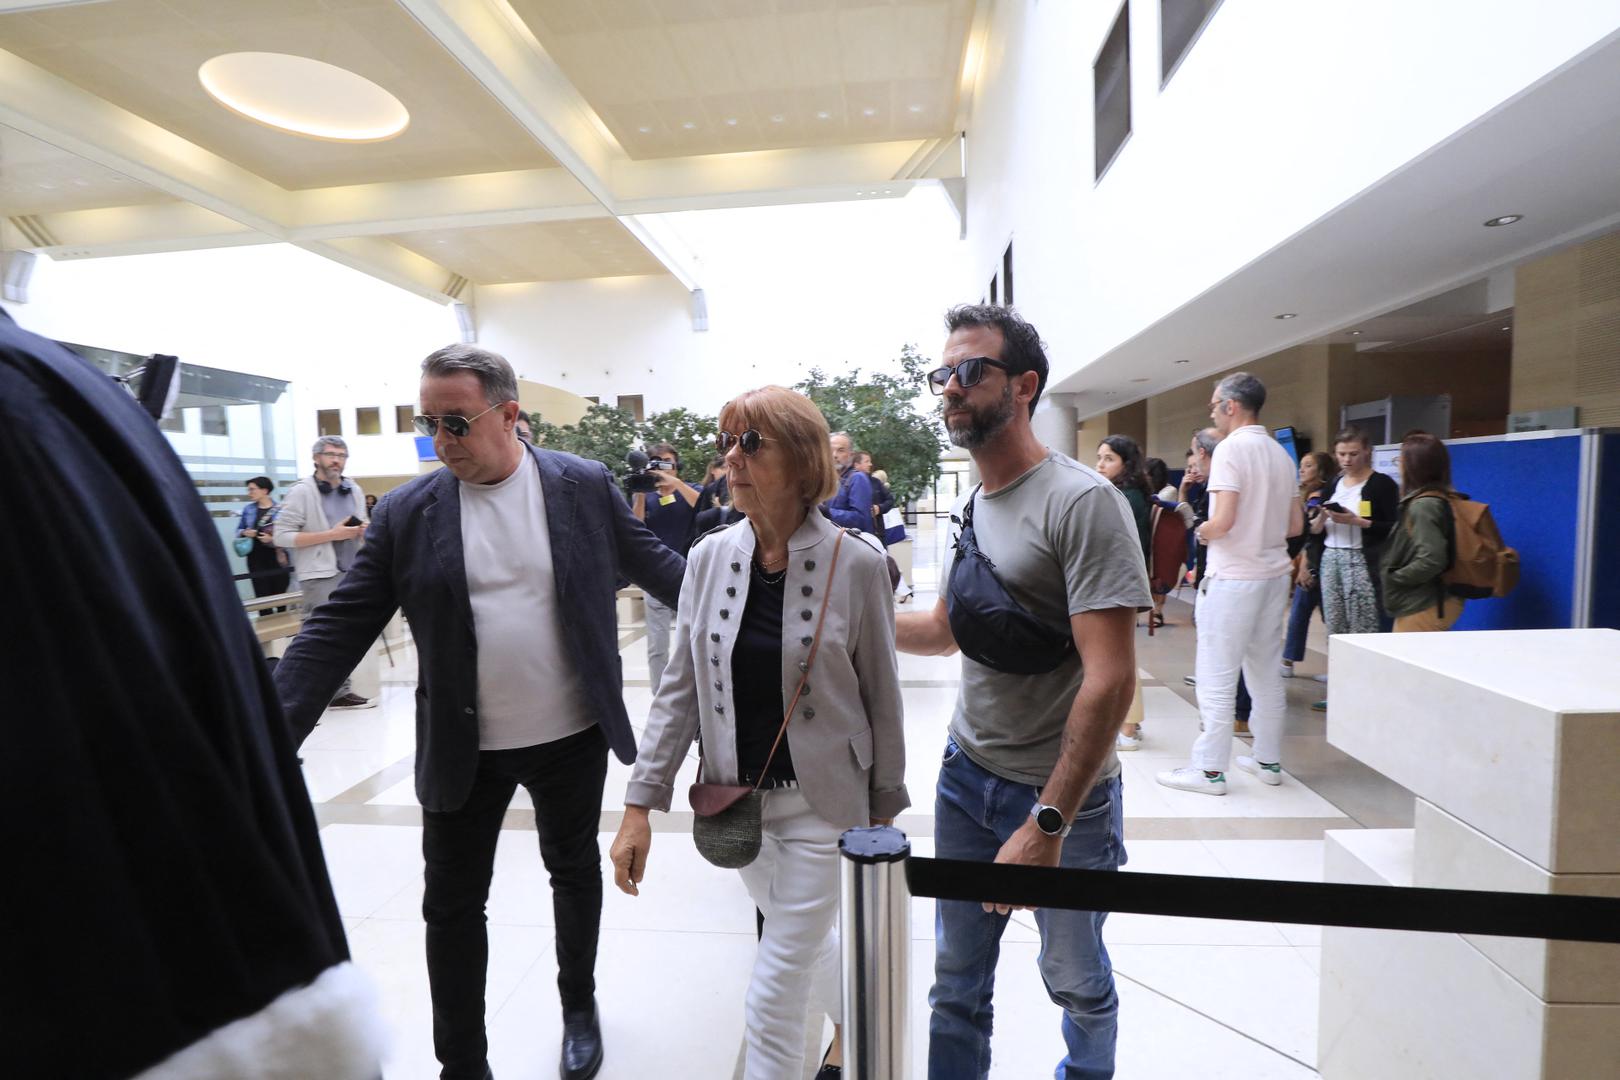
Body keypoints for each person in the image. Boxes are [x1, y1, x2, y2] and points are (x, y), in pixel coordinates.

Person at [274, 344, 685, 1080]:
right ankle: (462, 1061)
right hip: (464, 745)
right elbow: (339, 625)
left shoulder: (581, 485)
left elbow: (664, 570)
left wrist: (754, 619)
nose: (441, 441)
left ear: (510, 415)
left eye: (456, 421)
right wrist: (268, 739)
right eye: (428, 422)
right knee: (453, 906)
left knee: (572, 870)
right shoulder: (407, 511)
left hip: (572, 733)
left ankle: (578, 1006)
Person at [2, 308, 382, 1078]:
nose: (339, 459)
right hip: (314, 586)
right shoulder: (61, 399)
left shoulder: (27, 410)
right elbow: (279, 544)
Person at [611, 386, 907, 1080]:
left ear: (804, 462)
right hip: (736, 805)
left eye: (751, 442)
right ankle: (863, 1021)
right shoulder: (710, 557)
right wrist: (637, 806)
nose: (731, 458)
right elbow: (678, 689)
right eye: (726, 442)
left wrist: (884, 808)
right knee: (807, 948)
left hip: (823, 805)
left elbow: (882, 696)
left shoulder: (857, 562)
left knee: (774, 987)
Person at [897, 304, 1148, 1079]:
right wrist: (852, 616)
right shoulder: (969, 506)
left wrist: (1049, 820)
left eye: (971, 371)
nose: (951, 388)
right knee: (956, 984)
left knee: (1074, 981)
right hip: (966, 777)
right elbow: (944, 630)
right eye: (943, 375)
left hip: (1066, 800)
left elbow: (1111, 680)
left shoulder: (1082, 502)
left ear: (1025, 386)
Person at [1157, 373, 1303, 797]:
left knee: (1216, 676)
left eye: (1214, 403)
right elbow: (1295, 524)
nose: (1211, 410)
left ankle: (1209, 772)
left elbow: (1222, 523)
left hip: (1233, 580)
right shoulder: (1280, 453)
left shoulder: (1231, 451)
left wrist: (1200, 531)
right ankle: (1268, 760)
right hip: (1274, 576)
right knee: (1265, 674)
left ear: (1231, 406)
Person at [273, 435, 373, 711]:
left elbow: (363, 522)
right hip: (319, 574)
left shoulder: (353, 489)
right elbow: (282, 536)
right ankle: (294, 694)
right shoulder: (302, 492)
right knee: (316, 636)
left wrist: (363, 529)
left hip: (351, 571)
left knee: (343, 634)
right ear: (316, 458)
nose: (336, 461)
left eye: (341, 456)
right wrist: (332, 534)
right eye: (331, 454)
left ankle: (339, 691)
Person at [1311, 426, 1399, 710]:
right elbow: (1317, 528)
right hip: (1333, 557)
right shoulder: (1334, 483)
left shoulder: (1381, 484)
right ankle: (1340, 687)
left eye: (1353, 454)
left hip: (1363, 559)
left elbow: (1394, 527)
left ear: (1367, 452)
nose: (1347, 460)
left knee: (1363, 625)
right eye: (1341, 454)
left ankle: (1367, 689)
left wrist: (1358, 522)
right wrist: (1320, 519)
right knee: (1335, 625)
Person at [1095, 436, 1153, 753]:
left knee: (1120, 657)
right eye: (1100, 457)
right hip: (1123, 581)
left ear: (1125, 464)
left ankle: (1128, 729)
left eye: (1109, 459)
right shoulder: (1128, 493)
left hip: (1119, 583)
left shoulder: (1124, 496)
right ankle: (1130, 724)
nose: (1101, 464)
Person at [630, 441, 701, 693]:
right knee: (657, 646)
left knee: (694, 641)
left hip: (691, 576)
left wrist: (676, 484)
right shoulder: (646, 497)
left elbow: (703, 506)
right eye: (657, 462)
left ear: (676, 465)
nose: (663, 468)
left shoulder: (690, 490)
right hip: (657, 578)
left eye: (667, 462)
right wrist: (640, 491)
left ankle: (694, 694)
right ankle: (660, 695)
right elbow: (635, 527)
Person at [1382, 431, 1468, 632]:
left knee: (1402, 660)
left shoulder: (1423, 505)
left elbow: (1432, 558)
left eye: (1400, 460)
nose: (1399, 466)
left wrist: (1395, 576)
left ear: (1413, 467)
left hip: (1425, 603)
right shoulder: (1443, 497)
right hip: (1434, 600)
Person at [1281, 450, 1337, 679]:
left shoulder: (1319, 498)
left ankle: (1290, 662)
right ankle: (1287, 661)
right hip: (1316, 560)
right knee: (1301, 613)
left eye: (1308, 466)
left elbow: (1312, 535)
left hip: (1319, 562)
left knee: (1325, 616)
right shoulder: (1307, 497)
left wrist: (1304, 565)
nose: (1301, 470)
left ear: (1321, 471)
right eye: (1301, 465)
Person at [239, 476, 291, 599]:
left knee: (280, 595)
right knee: (261, 595)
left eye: (252, 489)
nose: (249, 493)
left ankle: (281, 618)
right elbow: (238, 530)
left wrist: (272, 539)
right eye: (248, 490)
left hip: (277, 556)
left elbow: (289, 534)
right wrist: (245, 532)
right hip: (255, 558)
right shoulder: (248, 509)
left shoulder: (281, 510)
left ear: (265, 490)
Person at [822, 431, 876, 531]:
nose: (834, 455)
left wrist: (826, 512)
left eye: (840, 450)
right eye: (830, 450)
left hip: (850, 544)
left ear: (851, 454)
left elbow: (861, 519)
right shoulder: (828, 480)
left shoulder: (858, 478)